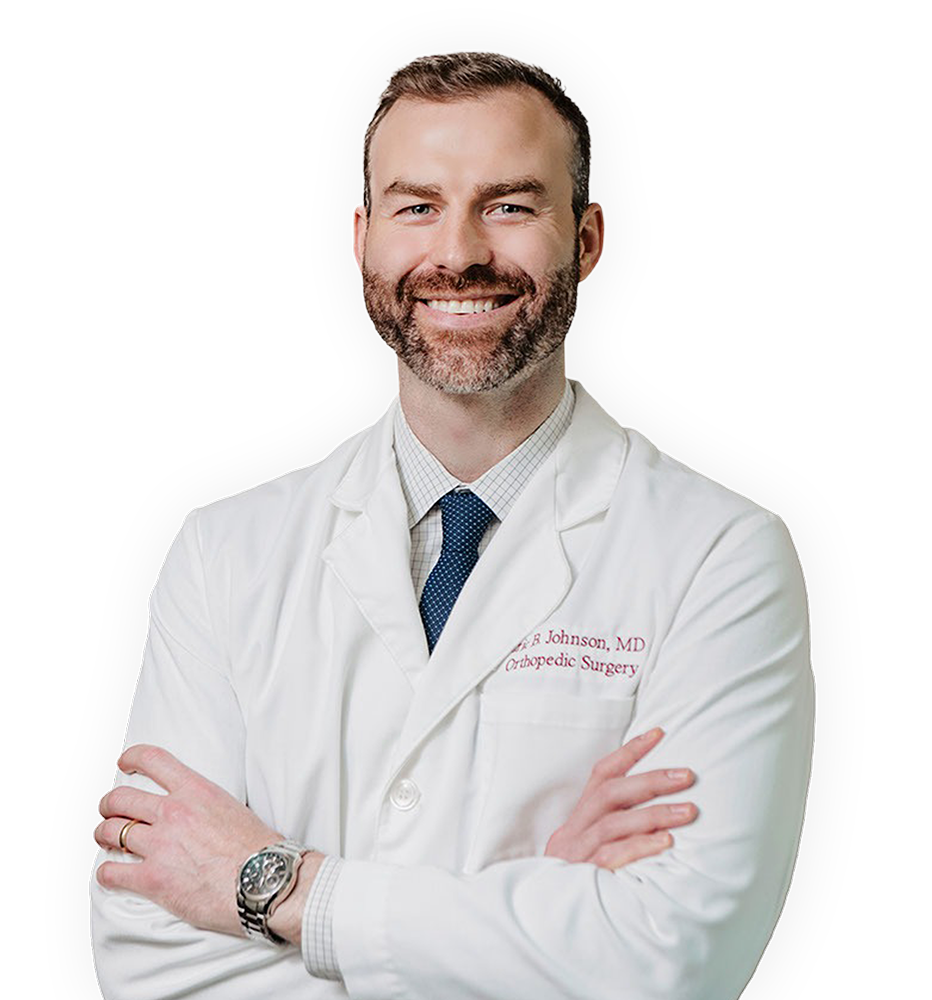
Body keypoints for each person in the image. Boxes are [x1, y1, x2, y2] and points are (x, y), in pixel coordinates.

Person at [90, 50, 814, 1000]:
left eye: (510, 205)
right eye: (416, 205)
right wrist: (545, 908)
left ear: (587, 239)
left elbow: (675, 960)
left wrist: (285, 891)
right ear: (362, 238)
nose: (460, 251)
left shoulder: (722, 556)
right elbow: (152, 959)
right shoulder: (224, 553)